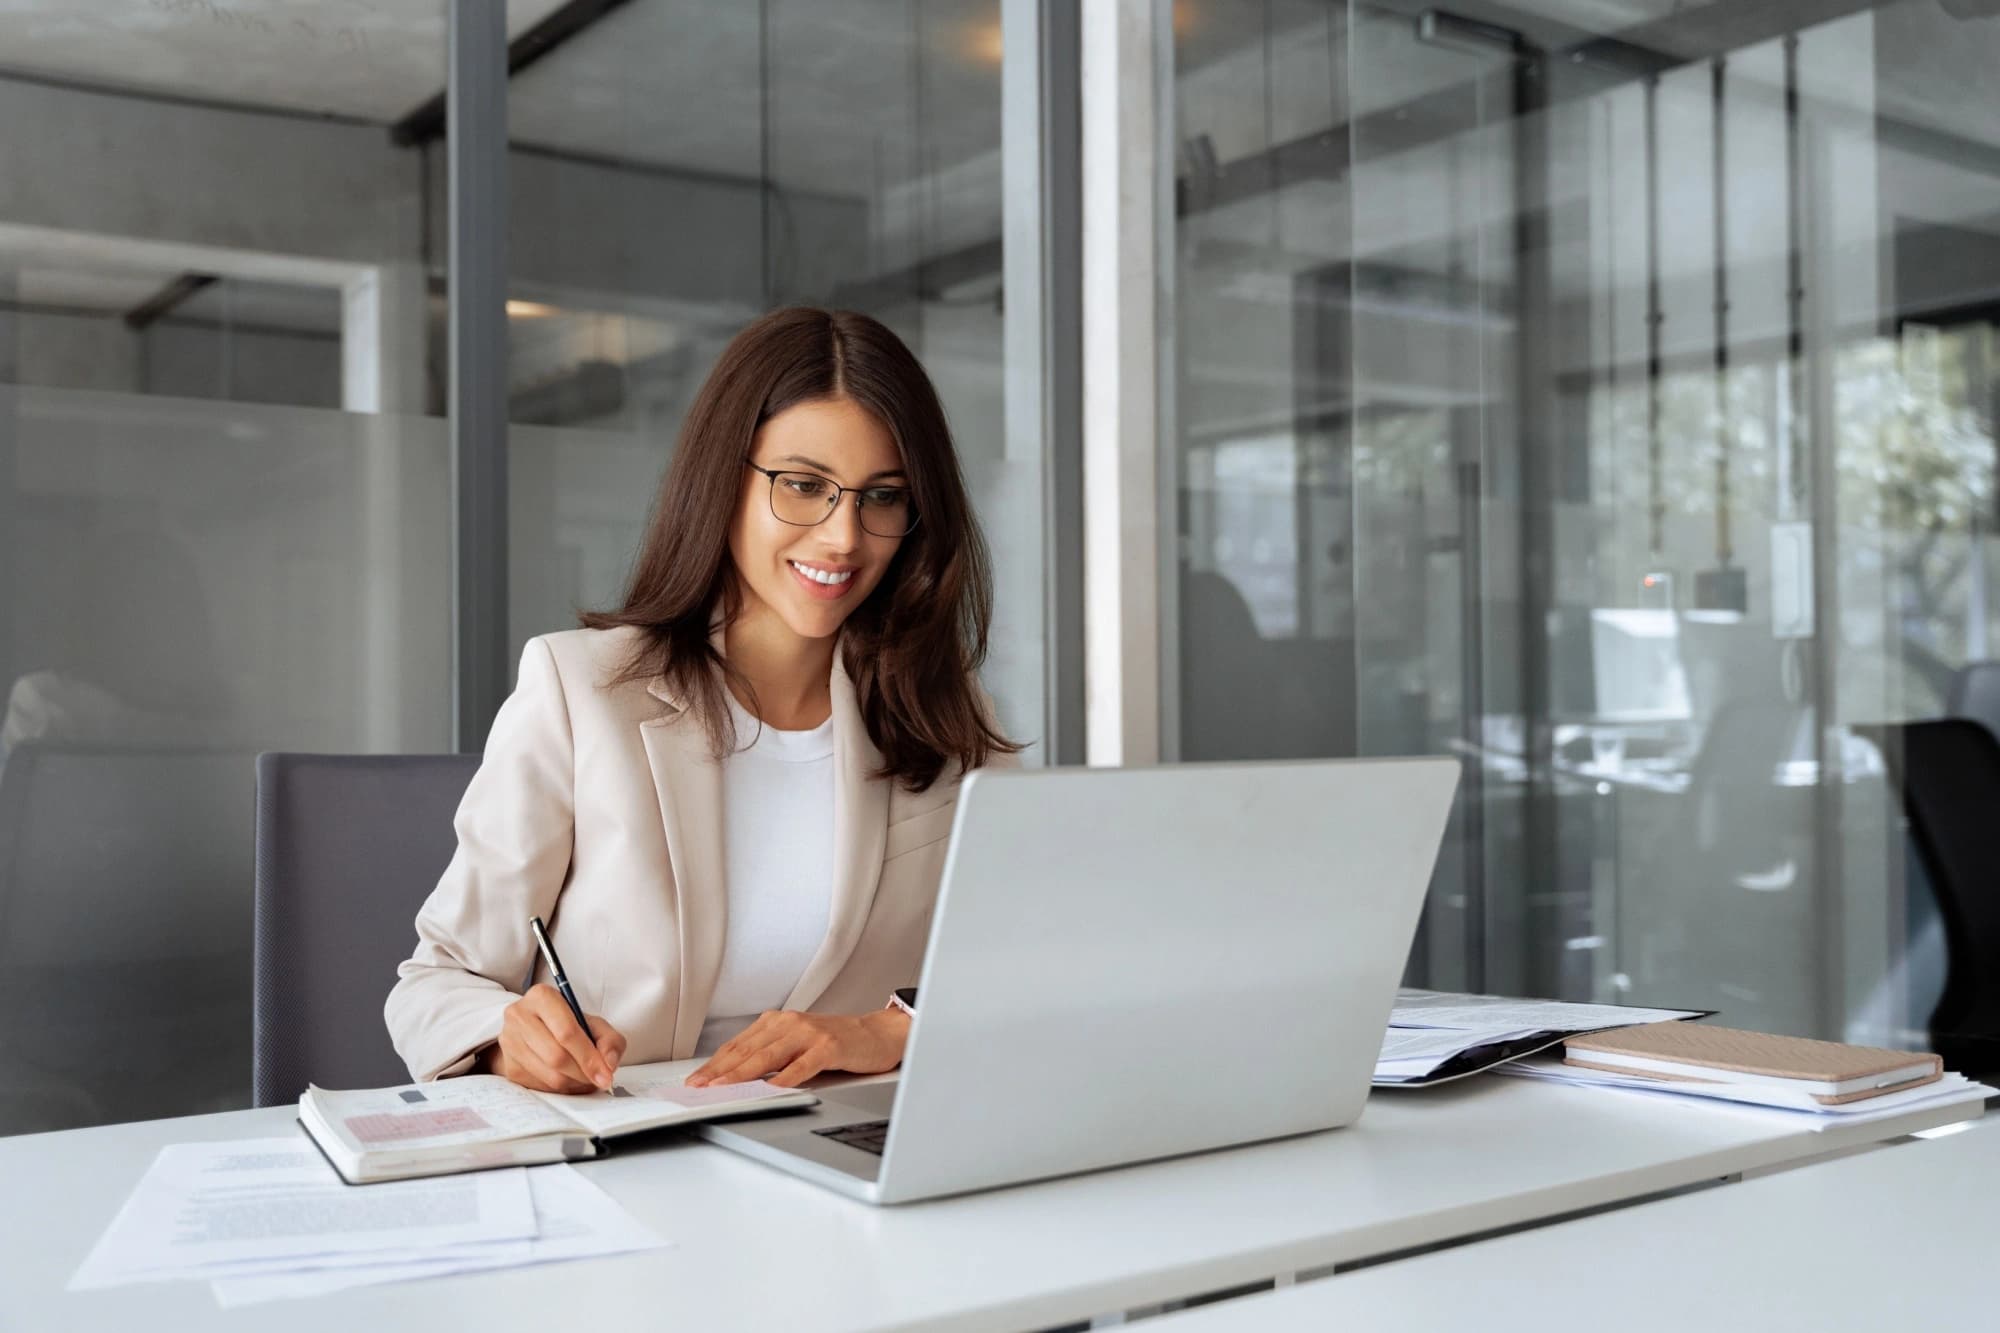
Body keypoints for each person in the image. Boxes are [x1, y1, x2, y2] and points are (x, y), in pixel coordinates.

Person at [385, 307, 1019, 1094]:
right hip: (631, 1157)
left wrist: (892, 1028)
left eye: (881, 497)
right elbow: (435, 982)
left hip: (846, 1161)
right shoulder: (580, 692)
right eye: (804, 485)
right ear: (726, 477)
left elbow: (1034, 969)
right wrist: (505, 1043)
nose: (843, 537)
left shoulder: (950, 713)